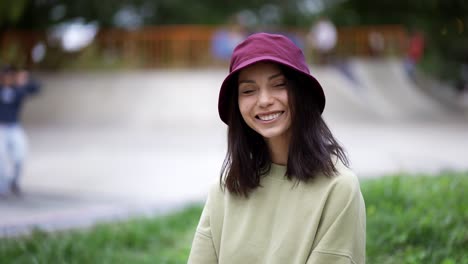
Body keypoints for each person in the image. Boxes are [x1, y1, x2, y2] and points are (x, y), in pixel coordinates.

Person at [188, 33, 366, 263]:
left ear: (302, 93)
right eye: (248, 91)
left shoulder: (338, 188)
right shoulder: (224, 189)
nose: (264, 100)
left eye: (279, 85)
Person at [0, 65, 40, 197]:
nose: (7, 79)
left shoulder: (18, 90)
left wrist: (25, 79)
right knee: (1, 158)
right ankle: (2, 187)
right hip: (1, 128)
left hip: (14, 127)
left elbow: (37, 88)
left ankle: (14, 182)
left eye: (10, 76)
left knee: (20, 156)